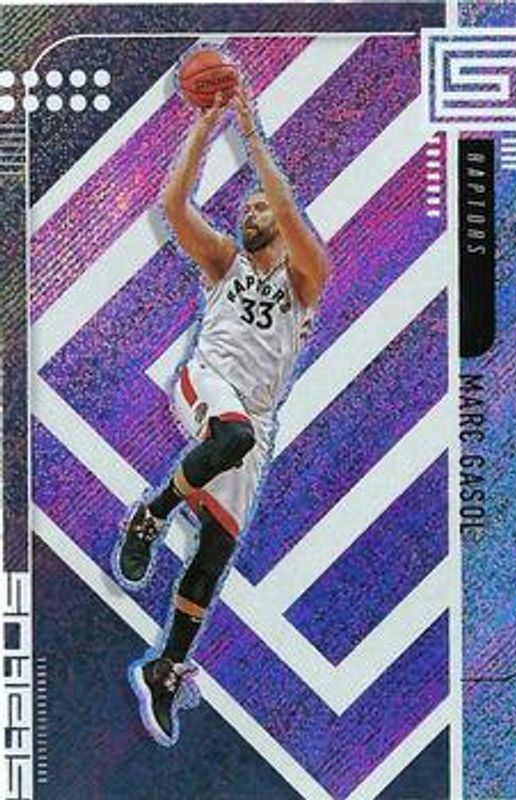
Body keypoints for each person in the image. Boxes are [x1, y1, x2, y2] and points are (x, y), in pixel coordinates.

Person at [114, 85, 329, 746]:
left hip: (255, 423)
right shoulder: (224, 264)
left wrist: (251, 133)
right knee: (230, 432)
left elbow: (285, 203)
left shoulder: (307, 277)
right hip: (205, 383)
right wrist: (207, 128)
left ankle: (166, 667)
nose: (250, 210)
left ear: (283, 224)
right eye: (246, 206)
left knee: (214, 552)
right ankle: (151, 515)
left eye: (260, 205)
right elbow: (174, 205)